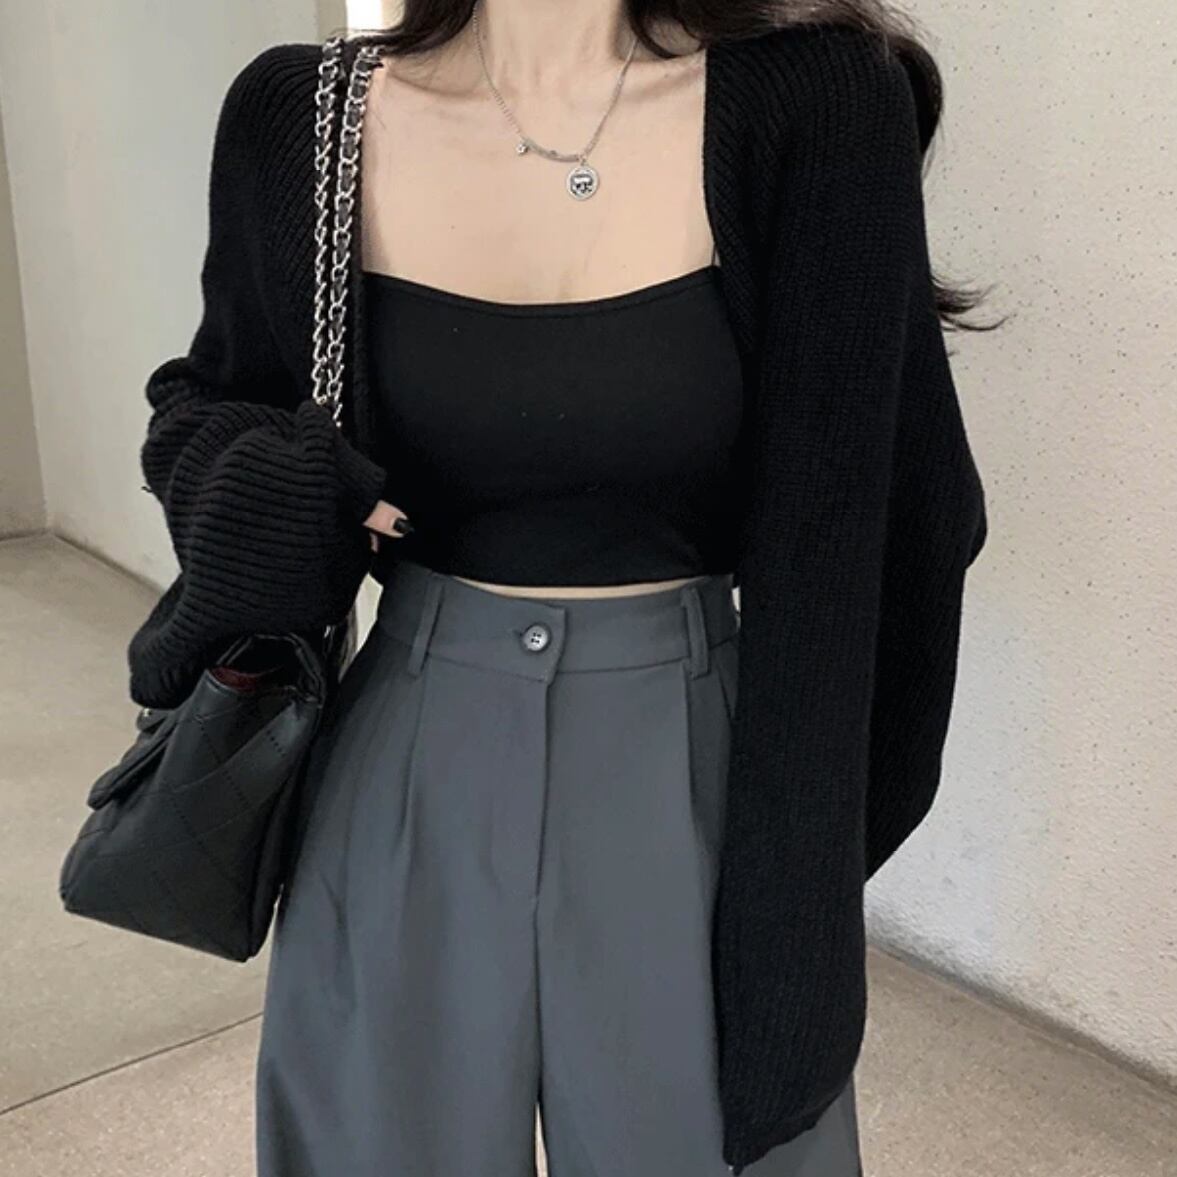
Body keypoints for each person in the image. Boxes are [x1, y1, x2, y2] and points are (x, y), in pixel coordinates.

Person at [126, 2, 991, 1174]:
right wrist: (298, 493)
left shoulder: (820, 102)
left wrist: (807, 863)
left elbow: (903, 516)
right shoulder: (303, 117)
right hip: (407, 761)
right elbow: (206, 406)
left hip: (699, 767)